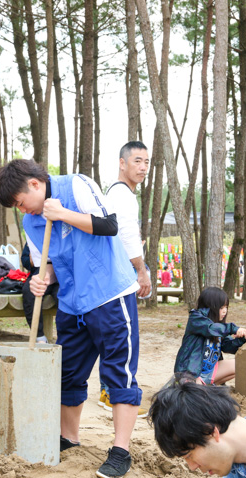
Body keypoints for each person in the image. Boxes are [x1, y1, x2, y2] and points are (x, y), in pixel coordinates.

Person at [0, 159, 141, 478]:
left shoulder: (75, 185)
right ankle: (69, 437)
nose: (22, 211)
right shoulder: (33, 222)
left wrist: (62, 214)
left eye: (20, 203)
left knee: (118, 372)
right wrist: (41, 278)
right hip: (72, 303)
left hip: (109, 295)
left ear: (34, 185)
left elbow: (109, 224)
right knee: (69, 373)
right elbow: (48, 264)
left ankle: (120, 450)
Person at [98, 141, 151, 415]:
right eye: (137, 161)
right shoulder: (122, 194)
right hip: (120, 277)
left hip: (110, 279)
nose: (142, 168)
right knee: (125, 342)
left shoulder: (116, 193)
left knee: (112, 342)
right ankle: (122, 398)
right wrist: (141, 271)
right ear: (122, 163)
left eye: (146, 163)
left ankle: (109, 394)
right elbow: (127, 235)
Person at [174, 287, 246, 385]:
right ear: (210, 307)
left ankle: (208, 387)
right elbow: (211, 328)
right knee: (193, 393)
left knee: (241, 364)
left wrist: (243, 339)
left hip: (209, 371)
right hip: (191, 373)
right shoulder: (196, 318)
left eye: (226, 307)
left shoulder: (219, 327)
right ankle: (195, 387)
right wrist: (234, 329)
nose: (225, 311)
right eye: (221, 308)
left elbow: (228, 346)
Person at [20, 242, 58, 343]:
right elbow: (24, 259)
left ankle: (65, 335)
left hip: (61, 275)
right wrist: (31, 262)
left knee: (63, 295)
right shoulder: (33, 237)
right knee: (29, 291)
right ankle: (39, 336)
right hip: (39, 274)